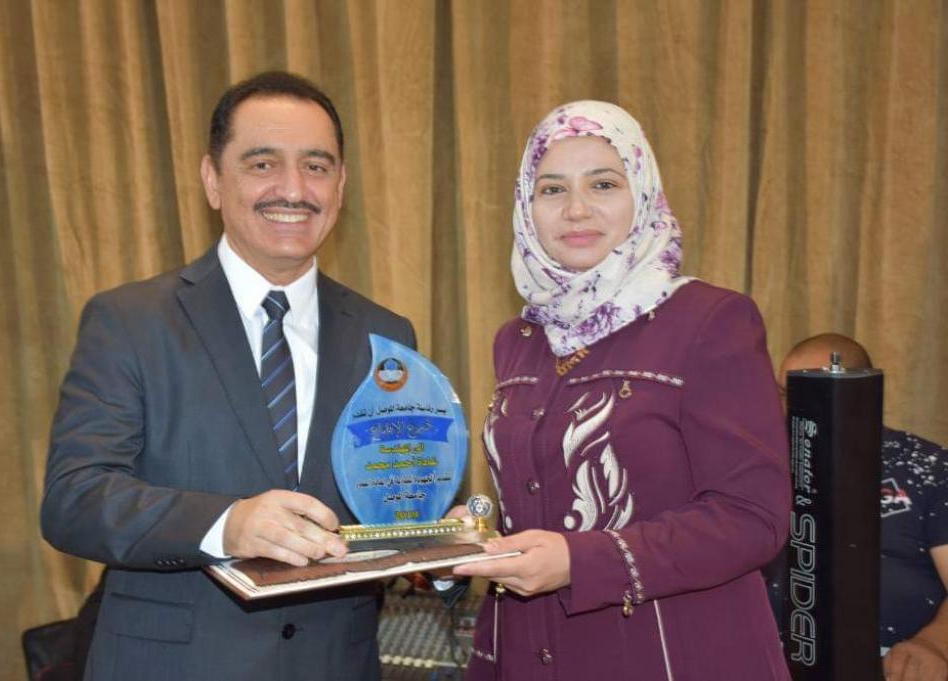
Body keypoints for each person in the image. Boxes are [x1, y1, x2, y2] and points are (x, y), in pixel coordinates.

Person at [40, 71, 416, 681]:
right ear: (213, 180)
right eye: (263, 164)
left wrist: (442, 539)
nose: (293, 189)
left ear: (341, 186)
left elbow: (397, 494)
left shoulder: (386, 334)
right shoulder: (130, 321)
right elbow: (74, 499)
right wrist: (226, 524)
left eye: (316, 167)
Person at [452, 101, 792, 680]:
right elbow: (539, 500)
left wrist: (579, 562)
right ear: (526, 206)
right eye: (552, 189)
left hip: (673, 656)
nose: (576, 209)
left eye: (603, 184)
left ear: (643, 193)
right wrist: (476, 540)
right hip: (531, 653)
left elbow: (753, 517)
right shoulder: (519, 339)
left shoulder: (709, 320)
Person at [778, 333, 948, 681]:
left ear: (860, 393)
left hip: (890, 662)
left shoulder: (926, 467)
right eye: (784, 393)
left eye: (811, 392)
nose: (791, 407)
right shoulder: (762, 467)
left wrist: (935, 644)